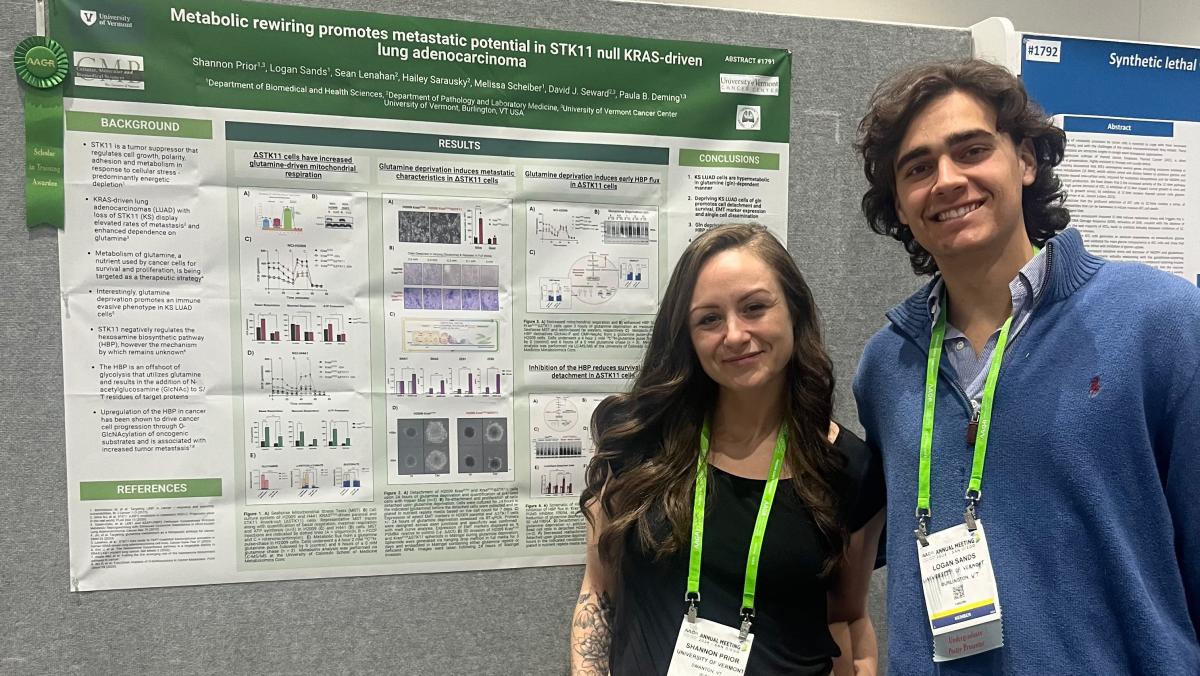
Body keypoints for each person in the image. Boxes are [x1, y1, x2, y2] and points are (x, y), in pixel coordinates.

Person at [853, 59, 1200, 674]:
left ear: (1026, 161)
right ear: (900, 206)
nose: (948, 180)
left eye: (972, 150)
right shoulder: (886, 365)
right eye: (918, 168)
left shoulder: (1163, 322)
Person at [569, 223, 885, 676]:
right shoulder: (638, 439)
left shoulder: (848, 468)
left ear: (793, 311)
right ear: (688, 336)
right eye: (709, 319)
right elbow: (598, 591)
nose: (735, 335)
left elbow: (848, 616)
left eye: (755, 307)